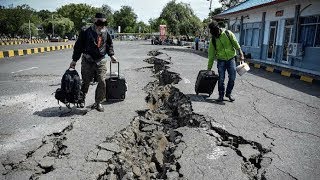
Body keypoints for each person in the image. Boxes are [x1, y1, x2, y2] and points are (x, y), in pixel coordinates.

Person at [70, 12, 117, 112]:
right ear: (94, 21)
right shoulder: (85, 31)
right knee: (86, 81)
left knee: (102, 80)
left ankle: (98, 102)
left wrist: (112, 55)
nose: (101, 26)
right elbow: (78, 47)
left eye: (103, 23)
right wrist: (74, 60)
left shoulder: (106, 32)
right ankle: (81, 99)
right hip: (87, 60)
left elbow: (109, 45)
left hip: (101, 60)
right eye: (99, 22)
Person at [207, 21, 244, 102]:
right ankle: (221, 95)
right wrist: (209, 68)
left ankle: (228, 93)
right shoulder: (213, 40)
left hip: (231, 59)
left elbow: (235, 43)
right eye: (214, 34)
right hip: (221, 60)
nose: (215, 36)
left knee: (232, 77)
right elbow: (211, 55)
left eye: (216, 33)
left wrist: (241, 53)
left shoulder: (228, 33)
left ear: (218, 28)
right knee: (221, 79)